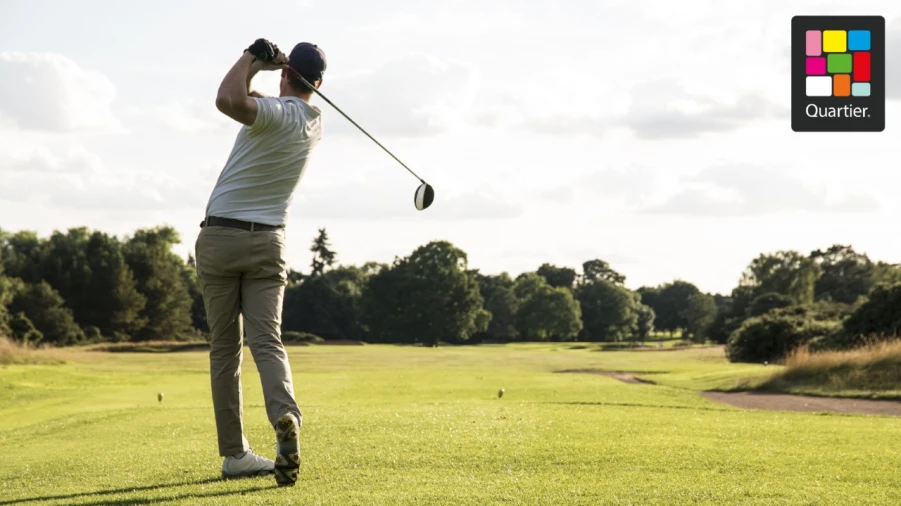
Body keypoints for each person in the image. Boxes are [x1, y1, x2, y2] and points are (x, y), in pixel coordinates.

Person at [193, 38, 326, 487]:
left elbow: (227, 98)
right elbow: (251, 102)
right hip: (270, 243)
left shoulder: (275, 113)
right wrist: (274, 71)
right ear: (320, 84)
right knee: (268, 341)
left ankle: (234, 454)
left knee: (225, 350)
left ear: (287, 71)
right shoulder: (313, 122)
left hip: (221, 237)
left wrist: (253, 59)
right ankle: (286, 415)